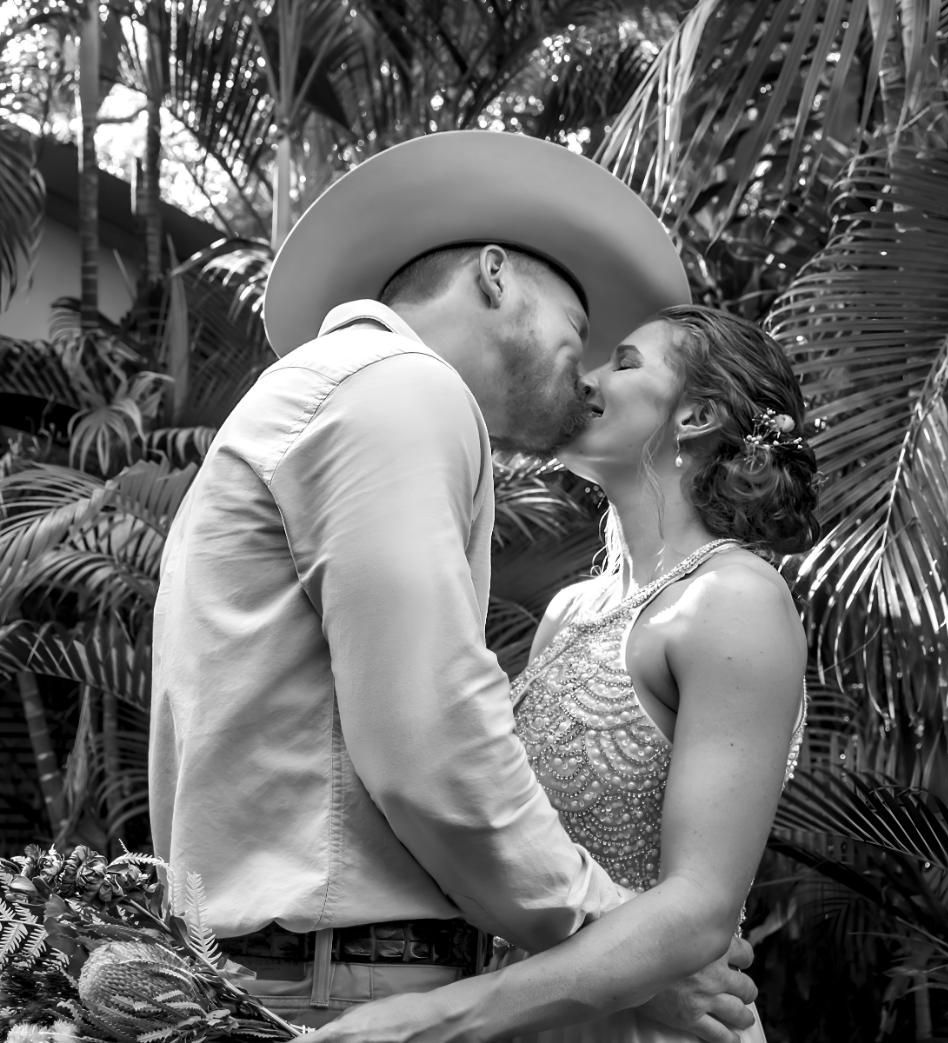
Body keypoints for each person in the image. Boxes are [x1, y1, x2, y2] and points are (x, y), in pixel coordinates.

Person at [148, 131, 758, 1036]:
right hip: (346, 988)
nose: (580, 369)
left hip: (295, 970)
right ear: (496, 275)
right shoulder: (402, 389)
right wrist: (623, 954)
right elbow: (431, 747)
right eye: (577, 330)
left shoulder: (327, 391)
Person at [300, 304, 820, 1042]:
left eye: (627, 362)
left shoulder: (735, 600)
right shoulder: (570, 609)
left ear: (697, 414)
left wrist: (435, 1020)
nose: (587, 377)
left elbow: (701, 906)